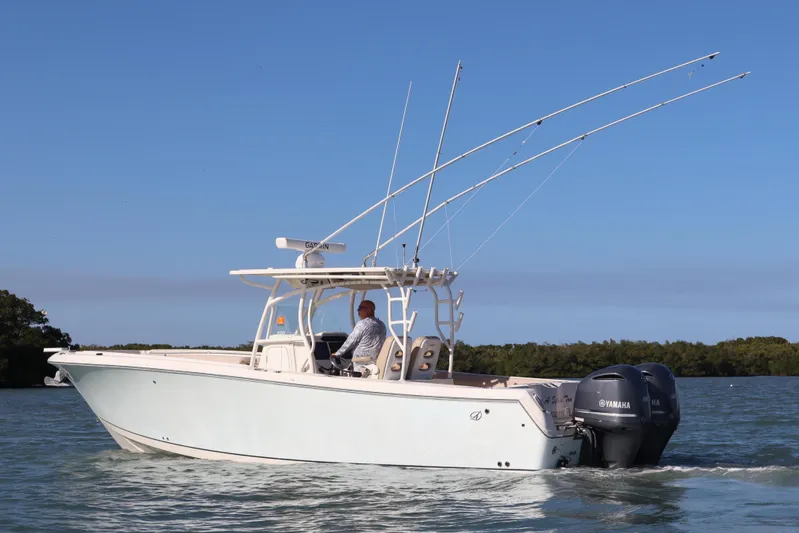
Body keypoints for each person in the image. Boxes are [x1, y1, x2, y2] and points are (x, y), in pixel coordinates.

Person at [332, 300, 386, 367]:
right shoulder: (381, 324)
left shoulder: (363, 324)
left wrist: (337, 353)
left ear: (369, 310)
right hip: (376, 361)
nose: (358, 311)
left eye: (360, 308)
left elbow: (351, 341)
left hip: (362, 363)